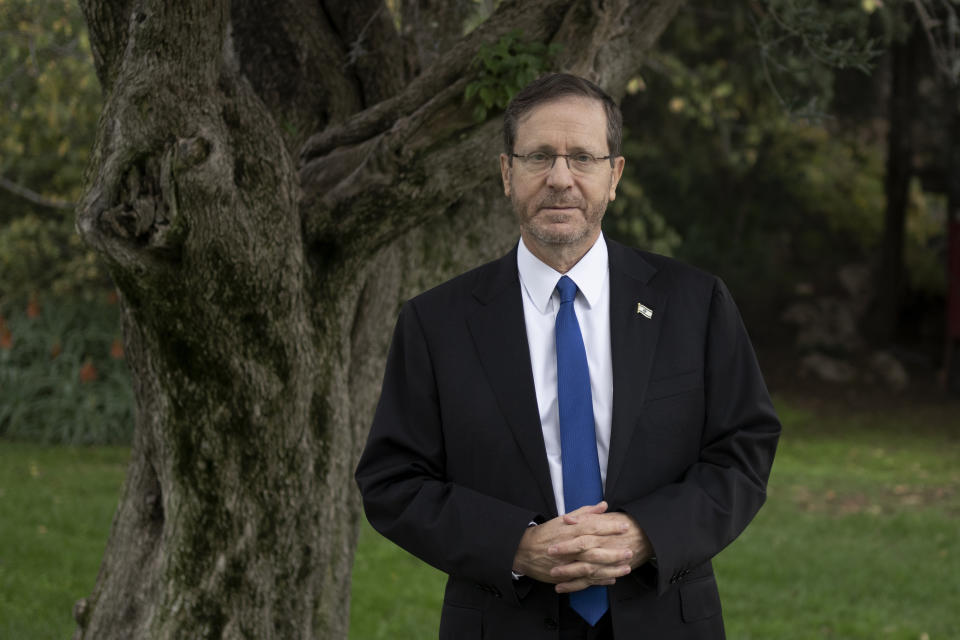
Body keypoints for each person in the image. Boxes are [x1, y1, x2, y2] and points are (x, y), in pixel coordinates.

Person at [355, 73, 780, 640]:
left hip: (665, 620)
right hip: (503, 621)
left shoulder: (694, 302)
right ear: (507, 174)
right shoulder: (436, 322)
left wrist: (646, 533)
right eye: (538, 157)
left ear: (614, 175)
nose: (560, 178)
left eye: (582, 156)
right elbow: (393, 480)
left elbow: (743, 451)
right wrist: (514, 545)